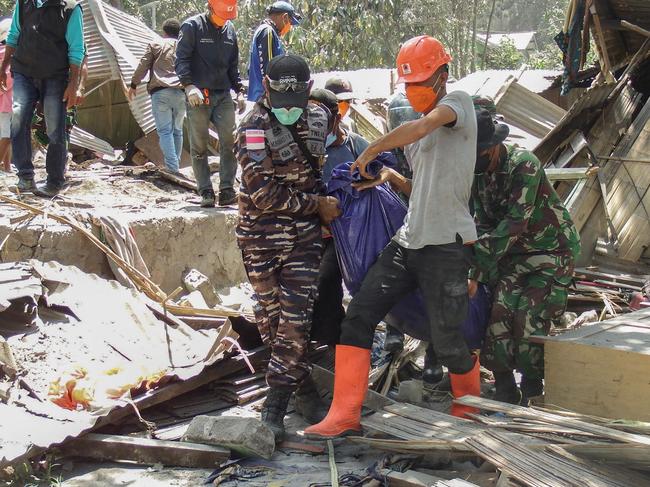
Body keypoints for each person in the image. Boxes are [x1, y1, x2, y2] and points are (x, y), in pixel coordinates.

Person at [305, 35, 481, 439]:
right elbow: (423, 186)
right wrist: (387, 176)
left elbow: (421, 126)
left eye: (421, 82)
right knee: (359, 316)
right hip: (409, 239)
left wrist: (369, 152)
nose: (414, 90)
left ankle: (469, 418)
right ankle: (344, 414)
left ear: (443, 76)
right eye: (409, 84)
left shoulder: (459, 104)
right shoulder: (417, 137)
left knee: (449, 339)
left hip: (448, 243)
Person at [236, 54, 341, 442]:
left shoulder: (319, 116)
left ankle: (275, 404)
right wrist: (318, 206)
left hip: (304, 240)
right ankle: (304, 389)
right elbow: (263, 193)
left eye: (296, 104)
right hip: (260, 237)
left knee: (296, 320)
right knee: (271, 321)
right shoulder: (252, 127)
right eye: (284, 104)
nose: (290, 112)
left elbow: (333, 141)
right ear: (266, 85)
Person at [470, 109, 580, 405]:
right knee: (498, 315)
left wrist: (477, 269)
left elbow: (515, 222)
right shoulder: (477, 174)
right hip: (512, 256)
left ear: (492, 146)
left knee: (528, 319)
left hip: (551, 252)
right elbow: (479, 219)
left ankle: (534, 389)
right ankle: (505, 388)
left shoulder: (523, 165)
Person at [1, 0, 84, 197]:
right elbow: (13, 35)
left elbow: (77, 49)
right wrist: (4, 67)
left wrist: (74, 85)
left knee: (55, 127)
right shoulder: (24, 3)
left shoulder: (71, 9)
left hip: (55, 75)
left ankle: (54, 181)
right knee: (18, 119)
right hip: (23, 71)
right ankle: (25, 177)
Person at [308, 88, 369, 346]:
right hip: (315, 230)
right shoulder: (305, 148)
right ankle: (328, 342)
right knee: (321, 288)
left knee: (327, 280)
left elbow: (377, 185)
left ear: (336, 119)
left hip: (350, 233)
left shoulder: (357, 146)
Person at [175, 0, 246, 208]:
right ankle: (205, 191)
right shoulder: (192, 27)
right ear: (210, 8)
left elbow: (233, 65)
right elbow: (181, 59)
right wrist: (188, 86)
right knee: (199, 146)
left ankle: (226, 190)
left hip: (223, 95)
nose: (224, 20)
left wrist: (240, 91)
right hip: (199, 95)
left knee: (229, 142)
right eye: (220, 15)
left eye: (227, 16)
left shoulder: (230, 31)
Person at [130, 19, 185, 174]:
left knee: (165, 131)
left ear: (164, 32)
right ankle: (176, 166)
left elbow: (143, 65)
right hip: (181, 93)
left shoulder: (155, 44)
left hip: (160, 92)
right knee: (177, 131)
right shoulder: (185, 47)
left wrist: (133, 84)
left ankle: (172, 168)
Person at [247, 1, 302, 103]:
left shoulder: (265, 31)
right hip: (265, 99)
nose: (289, 27)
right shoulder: (267, 32)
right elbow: (269, 69)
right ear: (285, 17)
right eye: (290, 22)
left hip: (261, 97)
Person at [0, 18, 12, 172]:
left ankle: (7, 166)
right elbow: (8, 79)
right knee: (7, 135)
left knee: (5, 135)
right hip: (6, 103)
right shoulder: (8, 54)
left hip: (5, 102)